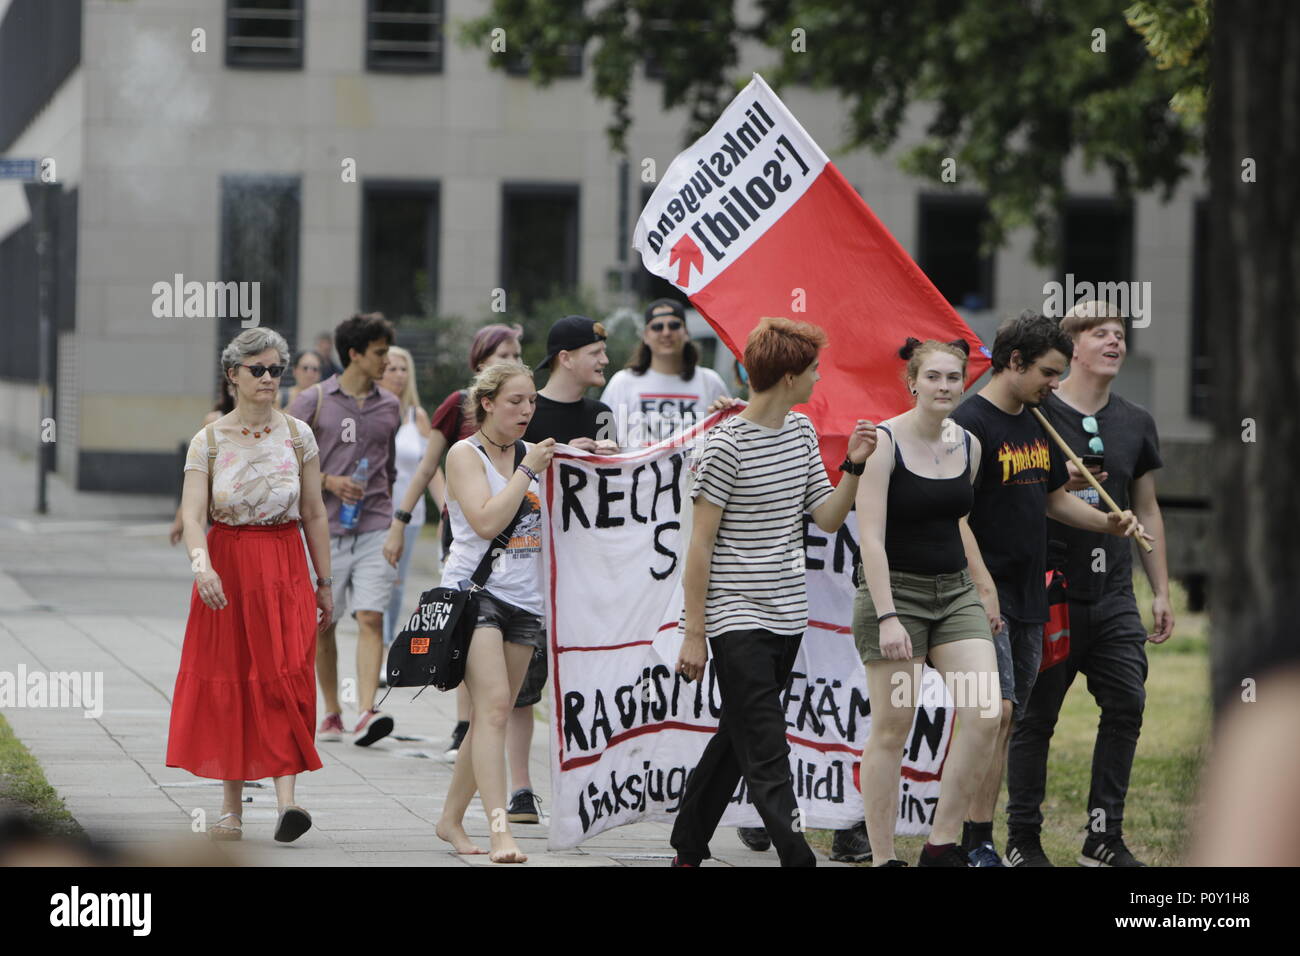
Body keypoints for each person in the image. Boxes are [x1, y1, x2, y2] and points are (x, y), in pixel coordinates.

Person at [669, 316, 878, 867]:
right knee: (766, 745)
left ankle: (687, 845)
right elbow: (700, 546)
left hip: (788, 616)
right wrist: (694, 635)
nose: (817, 379)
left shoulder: (803, 431)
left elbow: (828, 518)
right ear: (788, 376)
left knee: (739, 732)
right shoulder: (724, 447)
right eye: (812, 370)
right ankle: (796, 854)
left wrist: (853, 464)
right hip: (734, 617)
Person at [949, 309, 1150, 867]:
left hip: (1033, 593)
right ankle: (977, 839)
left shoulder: (1035, 421)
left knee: (1008, 718)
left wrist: (1106, 523)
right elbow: (955, 515)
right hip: (988, 598)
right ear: (1014, 362)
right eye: (1048, 373)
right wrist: (983, 588)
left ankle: (982, 839)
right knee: (991, 717)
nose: (1055, 385)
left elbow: (1049, 499)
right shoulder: (971, 422)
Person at [1006, 301, 1174, 866]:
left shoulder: (1136, 421)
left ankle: (1103, 836)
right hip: (1051, 592)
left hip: (1115, 597)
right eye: (1100, 333)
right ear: (1071, 347)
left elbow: (1146, 509)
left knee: (1127, 702)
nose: (1114, 342)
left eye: (1121, 334)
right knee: (1037, 718)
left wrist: (1163, 591)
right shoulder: (1036, 412)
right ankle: (1022, 838)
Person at [167, 328, 332, 843]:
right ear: (232, 375)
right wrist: (203, 566)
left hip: (284, 563)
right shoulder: (209, 440)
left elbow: (314, 512)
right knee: (231, 679)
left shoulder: (299, 435)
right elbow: (193, 516)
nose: (268, 379)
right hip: (228, 565)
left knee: (286, 675)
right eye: (257, 369)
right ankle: (231, 808)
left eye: (276, 370)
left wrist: (324, 582)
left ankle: (288, 803)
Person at [852, 338, 1002, 867]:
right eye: (934, 377)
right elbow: (870, 537)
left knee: (984, 712)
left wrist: (984, 587)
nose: (945, 386)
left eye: (954, 377)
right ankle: (884, 856)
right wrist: (889, 616)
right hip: (896, 595)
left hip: (954, 593)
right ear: (912, 382)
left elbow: (957, 520)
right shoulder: (884, 442)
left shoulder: (969, 445)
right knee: (894, 726)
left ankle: (941, 845)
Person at [499, 314, 619, 824]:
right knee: (523, 683)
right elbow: (506, 474)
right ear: (566, 357)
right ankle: (521, 789)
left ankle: (587, 776)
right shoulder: (530, 412)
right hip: (529, 565)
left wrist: (611, 458)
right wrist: (566, 453)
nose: (606, 361)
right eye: (596, 352)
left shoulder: (603, 412)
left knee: (586, 673)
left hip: (586, 568)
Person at [434, 362, 556, 863]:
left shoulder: (534, 452)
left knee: (495, 713)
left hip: (525, 600)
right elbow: (485, 520)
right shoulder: (465, 454)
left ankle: (449, 820)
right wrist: (527, 472)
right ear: (486, 403)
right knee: (494, 707)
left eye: (531, 401)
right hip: (474, 592)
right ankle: (500, 828)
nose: (526, 410)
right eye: (515, 401)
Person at [384, 323, 524, 759]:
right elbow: (427, 467)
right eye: (503, 354)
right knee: (467, 621)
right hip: (469, 527)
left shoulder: (522, 407)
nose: (513, 362)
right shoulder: (456, 407)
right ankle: (465, 725)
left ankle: (480, 722)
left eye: (518, 354)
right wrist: (403, 520)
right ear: (481, 360)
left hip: (514, 533)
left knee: (498, 633)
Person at [288, 313, 401, 748]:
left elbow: (388, 469)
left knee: (372, 616)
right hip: (325, 529)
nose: (385, 362)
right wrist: (331, 482)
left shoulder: (390, 405)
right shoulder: (312, 402)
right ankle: (332, 711)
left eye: (387, 353)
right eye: (378, 353)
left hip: (374, 523)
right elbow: (287, 469)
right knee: (324, 622)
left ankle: (367, 710)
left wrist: (395, 524)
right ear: (354, 354)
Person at [600, 298, 730, 446]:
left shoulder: (710, 382)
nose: (666, 332)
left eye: (674, 325)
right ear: (645, 336)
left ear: (686, 333)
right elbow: (605, 442)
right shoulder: (622, 382)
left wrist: (725, 416)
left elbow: (729, 440)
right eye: (657, 327)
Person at [377, 345, 432, 655]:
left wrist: (450, 509)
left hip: (410, 513)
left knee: (396, 584)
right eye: (391, 368)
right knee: (380, 580)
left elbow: (430, 467)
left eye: (403, 369)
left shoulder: (417, 416)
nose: (398, 375)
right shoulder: (368, 410)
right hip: (375, 513)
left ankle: (386, 647)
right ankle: (377, 645)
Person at [169, 378, 235, 546]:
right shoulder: (214, 421)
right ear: (229, 388)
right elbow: (198, 472)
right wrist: (181, 516)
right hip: (220, 507)